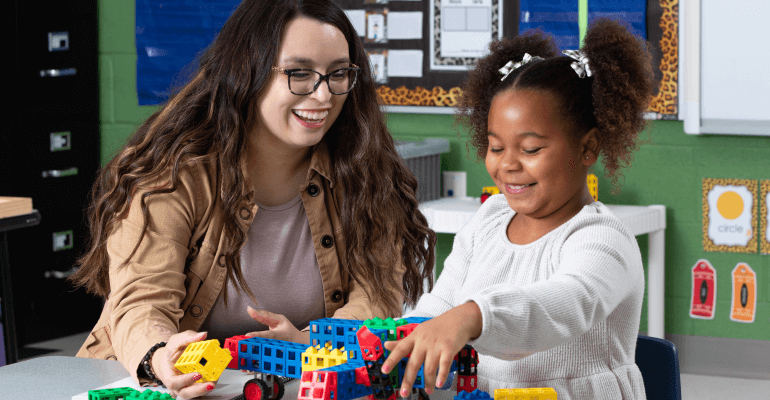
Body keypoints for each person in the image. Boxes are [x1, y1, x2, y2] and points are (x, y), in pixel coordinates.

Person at [69, 0, 435, 398]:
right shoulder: (174, 174)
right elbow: (143, 299)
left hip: (293, 387)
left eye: (338, 74)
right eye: (299, 73)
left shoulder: (367, 175)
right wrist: (160, 354)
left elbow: (374, 295)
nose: (323, 94)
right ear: (248, 71)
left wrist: (314, 343)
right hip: (160, 388)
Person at [382, 19, 654, 400]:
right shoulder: (490, 218)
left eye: (530, 150)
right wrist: (388, 342)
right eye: (496, 147)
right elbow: (440, 303)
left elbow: (562, 306)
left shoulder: (604, 240)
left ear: (587, 148)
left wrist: (471, 316)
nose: (507, 165)